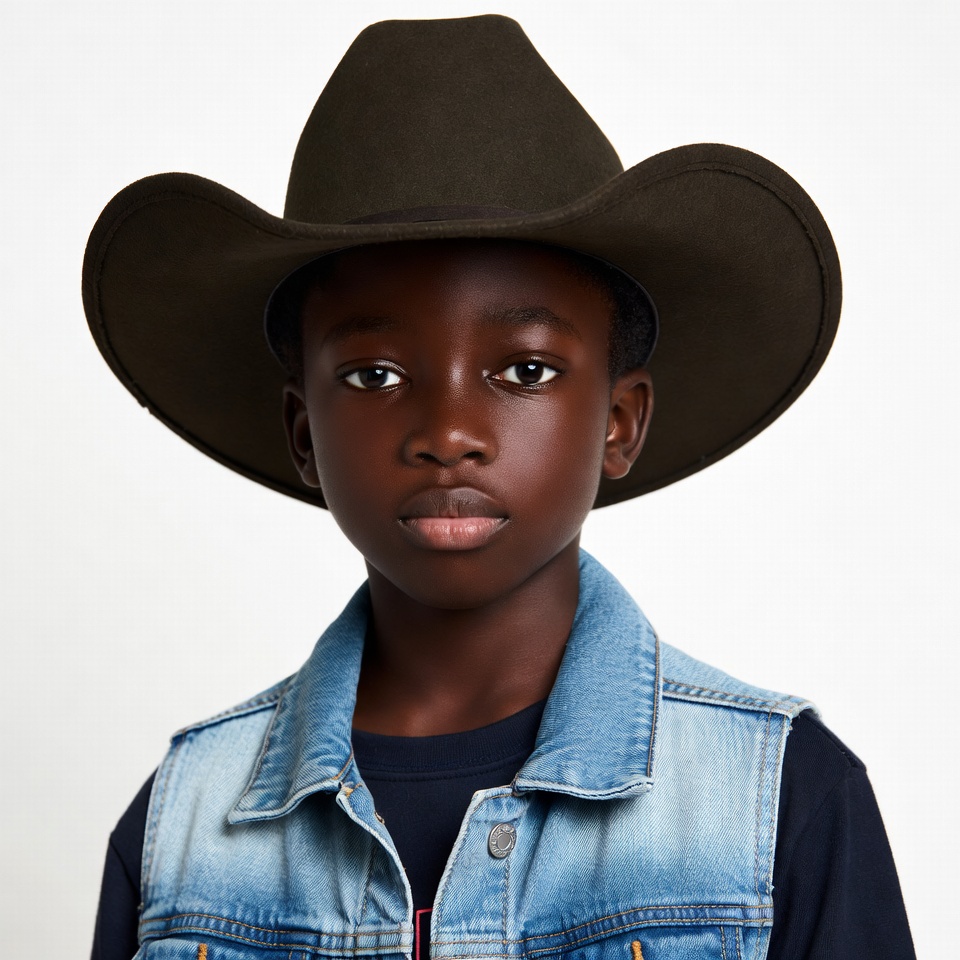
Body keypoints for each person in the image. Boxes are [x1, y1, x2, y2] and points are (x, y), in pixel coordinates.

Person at [85, 15, 914, 960]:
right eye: (374, 377)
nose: (447, 437)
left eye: (524, 372)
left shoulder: (777, 800)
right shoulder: (183, 826)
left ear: (620, 421)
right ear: (301, 433)